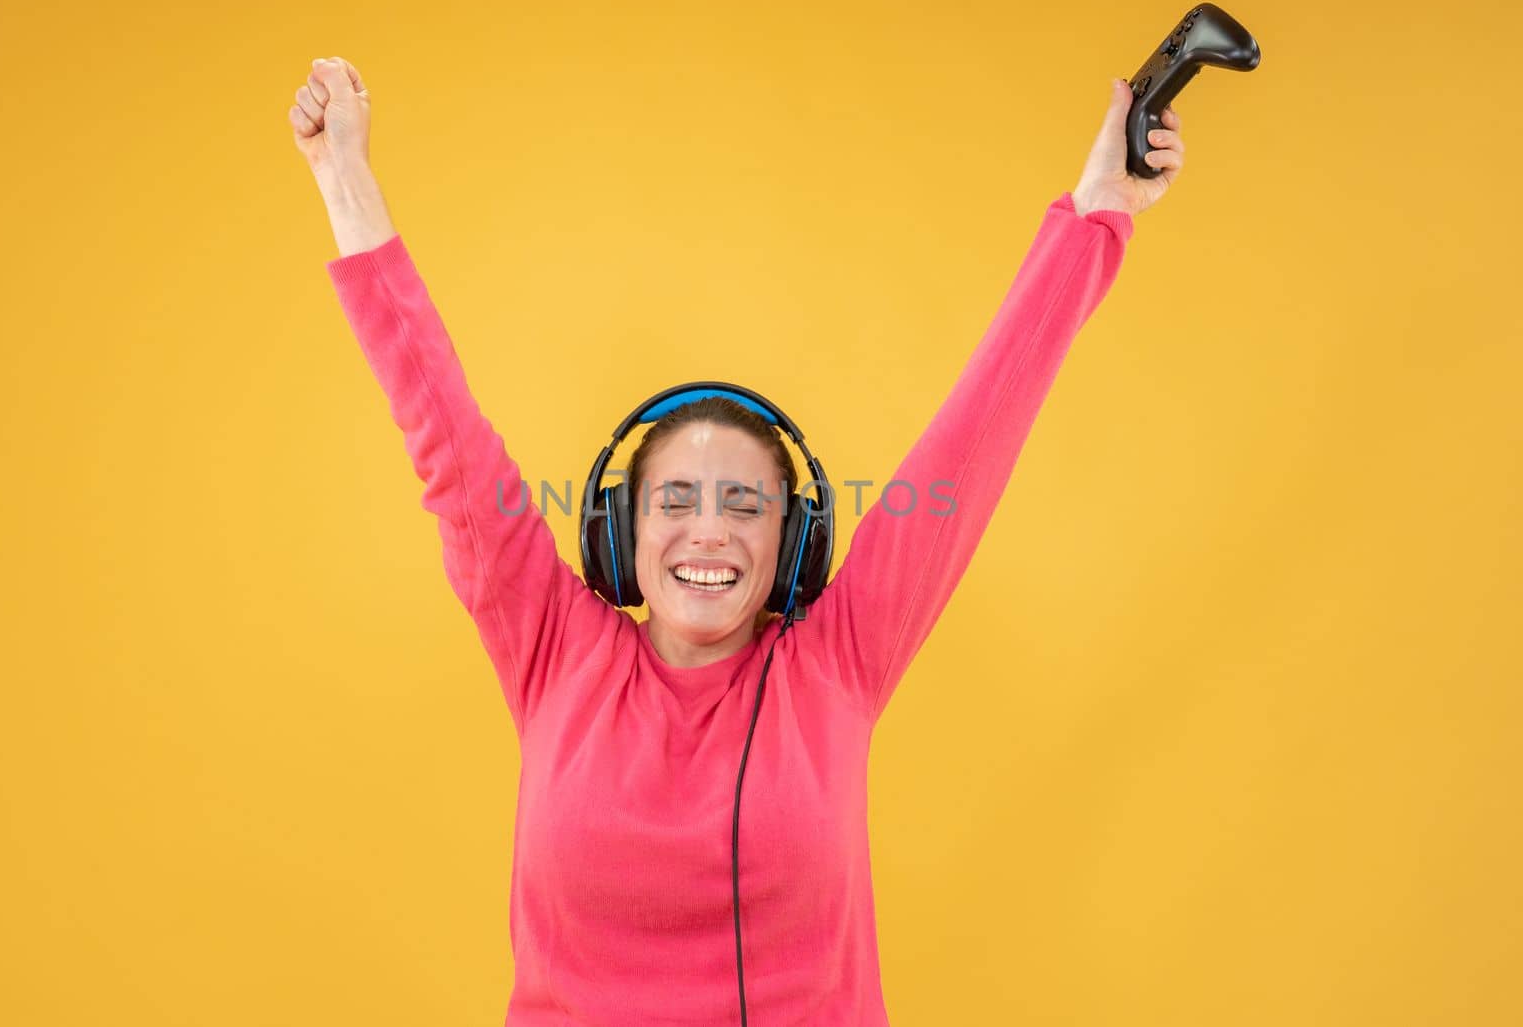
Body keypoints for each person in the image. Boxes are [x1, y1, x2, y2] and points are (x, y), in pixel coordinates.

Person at [289, 55, 1184, 1026]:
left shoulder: (836, 663)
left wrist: (1098, 208)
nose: (707, 530)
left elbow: (976, 439)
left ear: (792, 543)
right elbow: (440, 424)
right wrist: (343, 173)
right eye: (673, 498)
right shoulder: (553, 648)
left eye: (745, 504)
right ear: (619, 535)